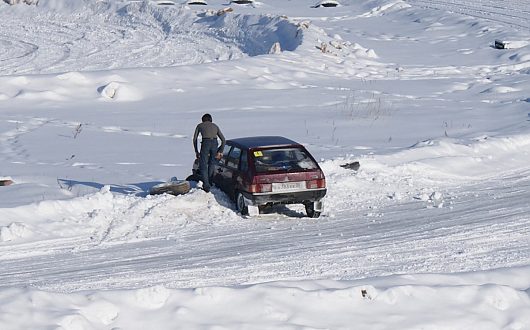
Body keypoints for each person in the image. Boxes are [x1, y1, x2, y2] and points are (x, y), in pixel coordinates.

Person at [192, 113, 226, 192]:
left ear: (202, 120)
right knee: (212, 163)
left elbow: (194, 139)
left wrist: (196, 151)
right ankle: (210, 181)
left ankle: (206, 186)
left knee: (203, 165)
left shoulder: (200, 125)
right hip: (214, 143)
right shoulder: (215, 126)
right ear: (211, 120)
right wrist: (220, 151)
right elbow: (224, 140)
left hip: (205, 143)